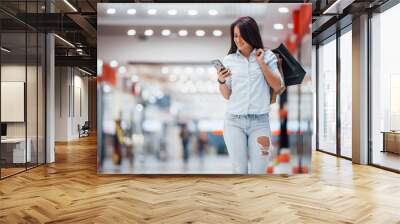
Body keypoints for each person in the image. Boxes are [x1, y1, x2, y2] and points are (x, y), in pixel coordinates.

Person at [217, 16, 283, 174]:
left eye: (241, 35)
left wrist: (262, 63)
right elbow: (227, 95)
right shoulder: (229, 60)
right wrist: (221, 80)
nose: (238, 40)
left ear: (251, 34)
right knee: (239, 170)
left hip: (259, 123)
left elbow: (277, 85)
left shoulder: (268, 56)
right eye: (235, 35)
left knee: (259, 170)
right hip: (234, 122)